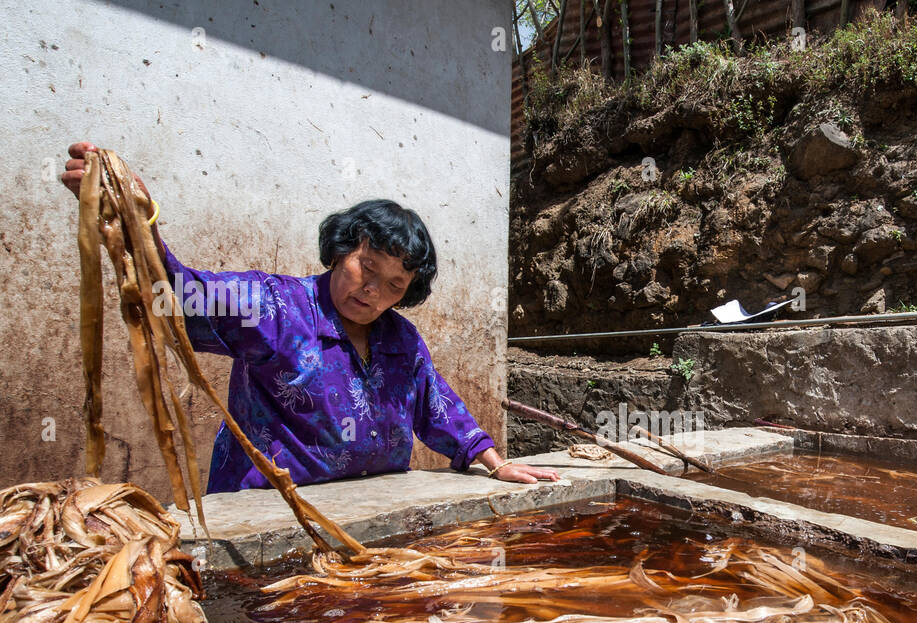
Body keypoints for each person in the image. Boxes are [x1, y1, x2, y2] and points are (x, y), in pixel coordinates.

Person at [60, 142, 559, 493]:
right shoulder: (274, 307)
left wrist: (495, 464)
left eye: (394, 286)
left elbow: (436, 407)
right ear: (341, 250)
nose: (372, 290)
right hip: (274, 517)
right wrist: (133, 223)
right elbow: (178, 297)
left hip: (369, 521)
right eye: (367, 266)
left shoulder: (401, 340)